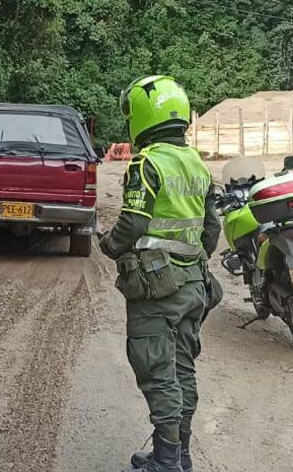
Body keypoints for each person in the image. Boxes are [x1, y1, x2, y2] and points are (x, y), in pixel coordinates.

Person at [98, 75, 221, 472]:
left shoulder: (147, 163)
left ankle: (166, 462)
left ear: (142, 116)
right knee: (183, 367)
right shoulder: (197, 163)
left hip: (156, 288)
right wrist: (192, 260)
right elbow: (212, 229)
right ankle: (179, 454)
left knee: (155, 369)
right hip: (192, 285)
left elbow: (133, 224)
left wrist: (108, 245)